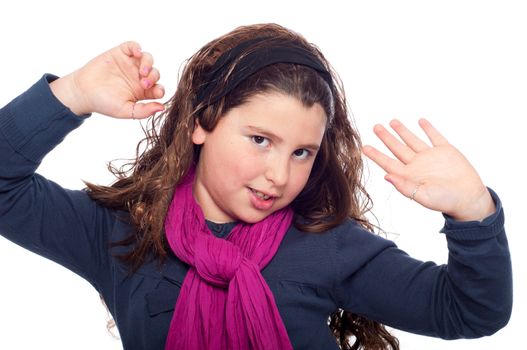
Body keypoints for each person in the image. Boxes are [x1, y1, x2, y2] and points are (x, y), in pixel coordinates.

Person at [0, 23, 512, 350]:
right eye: (261, 139)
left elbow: (469, 311)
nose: (280, 175)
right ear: (202, 122)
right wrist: (72, 95)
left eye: (301, 152)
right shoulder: (119, 232)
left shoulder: (327, 244)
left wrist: (473, 214)